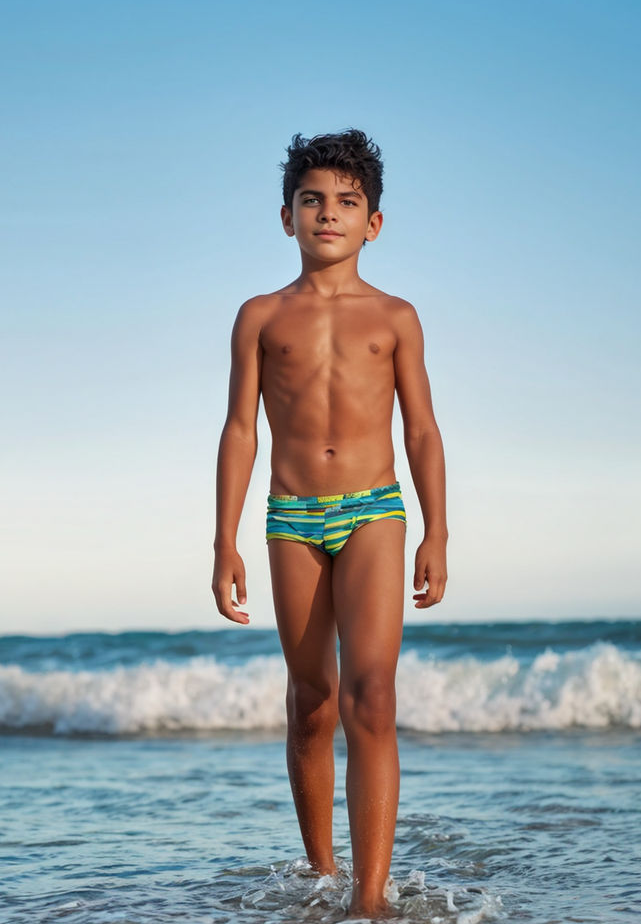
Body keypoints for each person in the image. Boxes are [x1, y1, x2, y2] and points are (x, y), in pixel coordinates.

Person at [212, 128, 448, 918]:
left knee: (371, 696)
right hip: (290, 517)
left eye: (347, 203)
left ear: (373, 223)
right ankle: (322, 874)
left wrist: (436, 532)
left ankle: (370, 901)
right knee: (311, 697)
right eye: (312, 200)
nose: (328, 215)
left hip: (376, 510)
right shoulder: (259, 317)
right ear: (287, 216)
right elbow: (240, 430)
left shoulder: (396, 316)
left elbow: (421, 430)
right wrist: (224, 541)